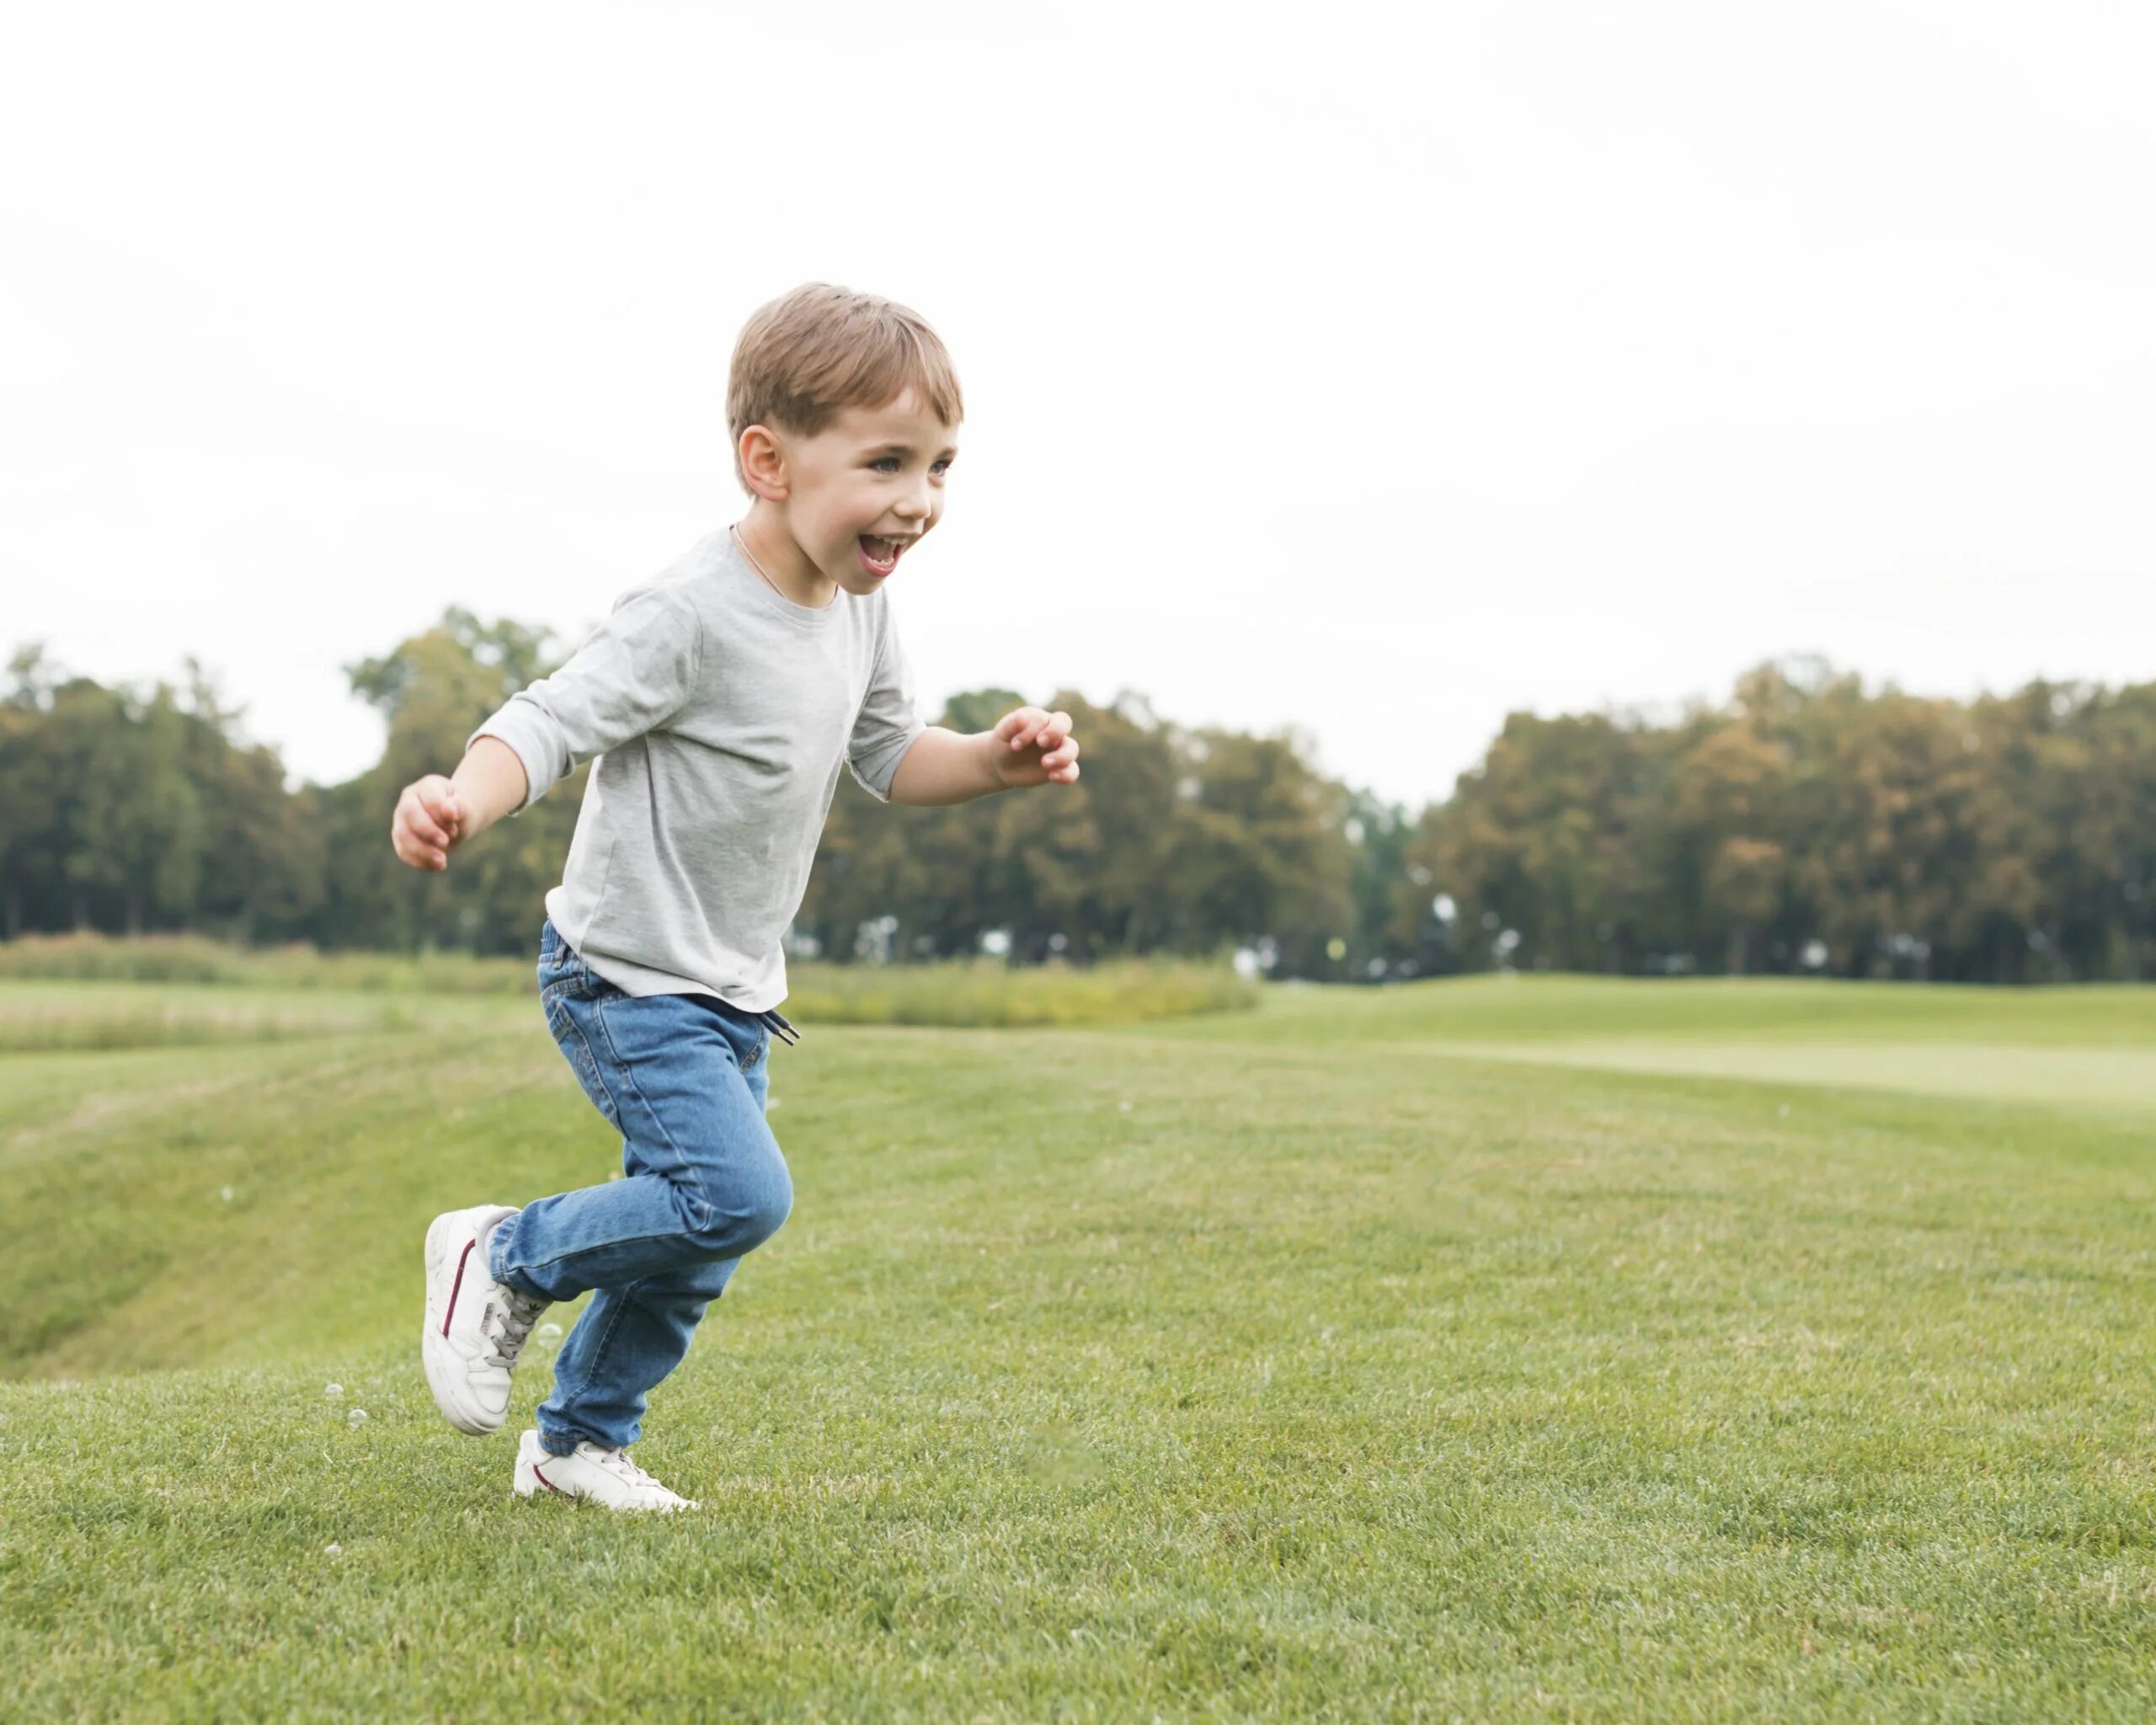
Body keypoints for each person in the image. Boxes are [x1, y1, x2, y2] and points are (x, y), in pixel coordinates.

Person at [388, 283, 1081, 1512]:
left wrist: (993, 763)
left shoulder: (862, 609)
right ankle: (503, 1254)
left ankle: (574, 1446)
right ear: (769, 461)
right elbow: (552, 717)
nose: (918, 499)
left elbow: (889, 756)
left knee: (694, 1241)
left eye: (939, 466)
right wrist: (463, 794)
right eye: (885, 462)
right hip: (623, 974)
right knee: (736, 1197)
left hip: (733, 989)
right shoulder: (691, 612)